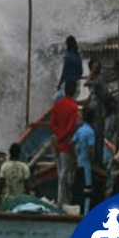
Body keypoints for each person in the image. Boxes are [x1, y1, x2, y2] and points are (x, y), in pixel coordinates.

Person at [50, 79, 78, 207]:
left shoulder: (58, 105)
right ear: (74, 92)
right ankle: (62, 201)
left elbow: (52, 124)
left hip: (56, 142)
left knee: (60, 170)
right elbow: (70, 128)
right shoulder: (73, 107)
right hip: (66, 143)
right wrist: (62, 137)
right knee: (65, 173)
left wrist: (57, 137)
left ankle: (62, 199)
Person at [72, 107, 95, 215]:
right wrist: (92, 162)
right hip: (86, 165)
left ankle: (79, 211)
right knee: (87, 189)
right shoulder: (90, 132)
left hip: (79, 162)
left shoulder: (80, 130)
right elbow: (90, 149)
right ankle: (85, 212)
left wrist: (75, 156)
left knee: (79, 188)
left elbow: (72, 143)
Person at [85, 59, 107, 169]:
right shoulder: (95, 80)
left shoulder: (99, 79)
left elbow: (86, 82)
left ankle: (98, 164)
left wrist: (92, 71)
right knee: (93, 138)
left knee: (98, 139)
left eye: (96, 68)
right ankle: (93, 162)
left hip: (99, 114)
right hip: (93, 114)